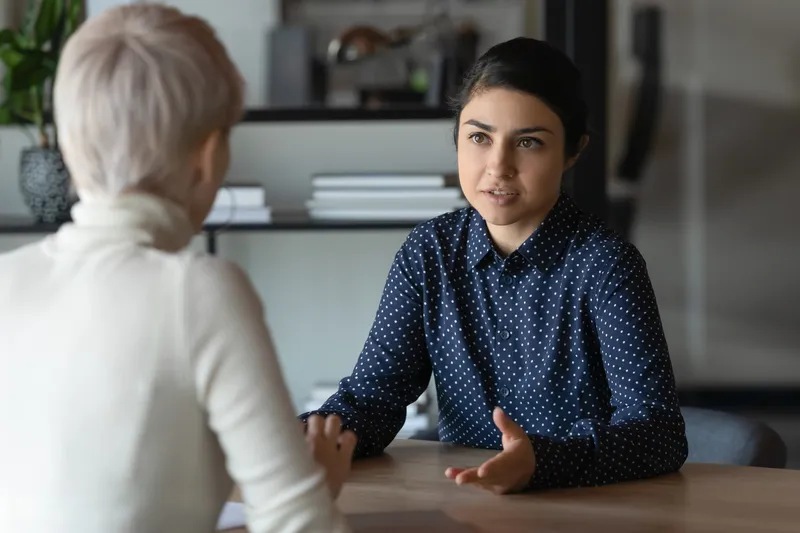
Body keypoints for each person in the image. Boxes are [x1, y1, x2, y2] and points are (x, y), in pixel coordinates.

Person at [0, 5, 354, 532]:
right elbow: (297, 525)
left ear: (69, 150)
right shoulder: (199, 290)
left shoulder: (8, 278)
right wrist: (313, 492)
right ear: (209, 157)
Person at [302, 37, 688, 494]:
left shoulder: (605, 265)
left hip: (581, 505)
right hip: (466, 499)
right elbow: (373, 400)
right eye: (479, 138)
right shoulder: (430, 252)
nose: (498, 167)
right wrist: (297, 438)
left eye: (528, 143)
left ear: (573, 152)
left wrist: (542, 462)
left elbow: (658, 434)